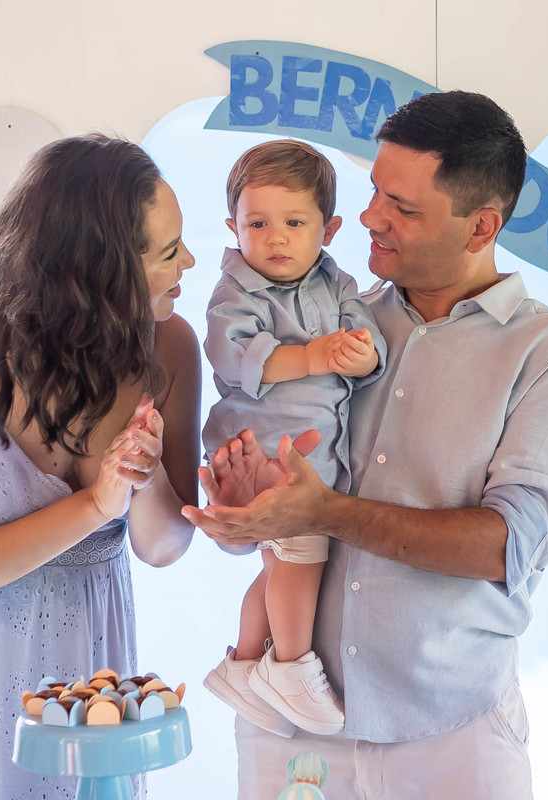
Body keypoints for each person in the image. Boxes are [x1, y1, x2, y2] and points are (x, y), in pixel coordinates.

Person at [183, 91, 548, 799]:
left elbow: (504, 547)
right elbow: (269, 529)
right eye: (376, 191)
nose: (371, 217)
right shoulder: (328, 325)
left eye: (402, 207)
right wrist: (246, 504)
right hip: (294, 730)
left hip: (451, 733)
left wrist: (322, 513)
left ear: (482, 226)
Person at [0, 135, 201, 800]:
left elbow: (165, 546)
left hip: (89, 668)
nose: (189, 262)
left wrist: (142, 475)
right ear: (97, 273)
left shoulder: (170, 343)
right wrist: (95, 505)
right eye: (168, 252)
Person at [201, 140, 385, 739]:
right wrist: (311, 356)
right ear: (234, 228)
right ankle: (290, 665)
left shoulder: (338, 283)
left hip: (312, 452)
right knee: (302, 559)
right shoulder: (237, 291)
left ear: (328, 230)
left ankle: (243, 663)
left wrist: (362, 355)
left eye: (294, 223)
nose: (275, 238)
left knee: (279, 564)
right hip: (260, 453)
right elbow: (232, 357)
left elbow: (367, 337)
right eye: (257, 224)